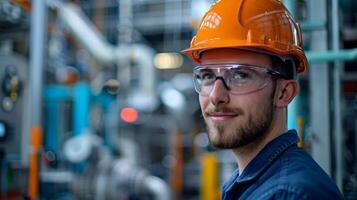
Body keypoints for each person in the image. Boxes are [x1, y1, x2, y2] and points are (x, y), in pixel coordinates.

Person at [181, 0, 344, 199]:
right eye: (207, 76)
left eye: (240, 75)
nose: (216, 96)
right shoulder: (249, 183)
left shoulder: (287, 194)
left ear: (284, 93)